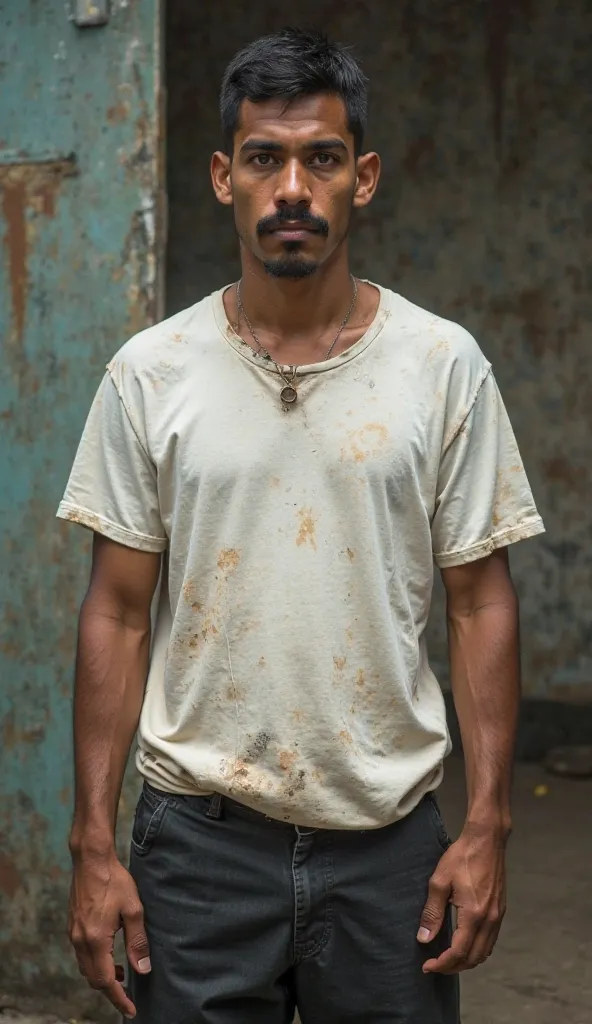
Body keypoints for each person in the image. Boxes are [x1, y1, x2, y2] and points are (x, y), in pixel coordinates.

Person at [59, 27, 545, 1024]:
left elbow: (479, 599)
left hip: (384, 851)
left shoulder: (440, 366)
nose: (292, 187)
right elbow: (114, 612)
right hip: (194, 852)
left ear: (360, 178)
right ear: (220, 176)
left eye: (320, 158)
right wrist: (93, 845)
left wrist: (487, 823)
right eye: (263, 158)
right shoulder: (150, 374)